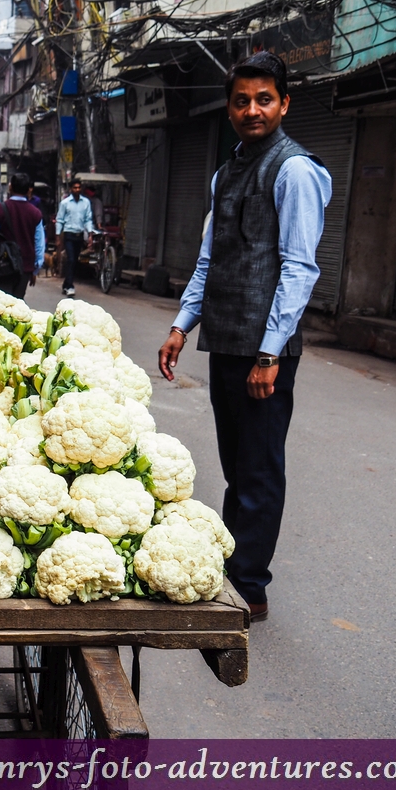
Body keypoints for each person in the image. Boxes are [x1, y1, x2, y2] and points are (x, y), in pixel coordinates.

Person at [158, 51, 332, 624]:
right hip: (227, 341)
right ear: (228, 107)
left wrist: (270, 352)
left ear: (284, 103)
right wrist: (183, 324)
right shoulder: (226, 171)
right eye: (241, 100)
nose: (252, 110)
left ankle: (250, 588)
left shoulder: (295, 170)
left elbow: (298, 268)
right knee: (237, 464)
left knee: (258, 469)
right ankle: (236, 569)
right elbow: (211, 260)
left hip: (264, 352)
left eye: (264, 99)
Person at [0, 171, 45, 299]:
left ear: (10, 187)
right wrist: (35, 269)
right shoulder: (35, 213)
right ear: (28, 190)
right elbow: (39, 245)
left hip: (1, 265)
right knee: (17, 307)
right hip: (25, 267)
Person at [55, 177, 99, 297]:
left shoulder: (86, 203)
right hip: (69, 234)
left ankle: (66, 284)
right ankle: (70, 286)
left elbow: (88, 219)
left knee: (74, 261)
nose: (77, 189)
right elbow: (59, 220)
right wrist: (58, 237)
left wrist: (90, 235)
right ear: (71, 189)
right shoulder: (65, 203)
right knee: (71, 259)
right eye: (75, 187)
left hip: (79, 235)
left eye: (79, 187)